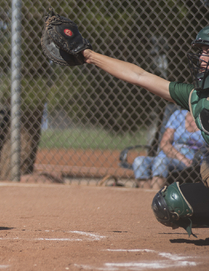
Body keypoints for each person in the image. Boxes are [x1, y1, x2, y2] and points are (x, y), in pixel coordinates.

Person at [76, 25, 209, 235]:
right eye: (201, 51)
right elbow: (140, 75)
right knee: (168, 204)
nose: (201, 58)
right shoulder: (195, 97)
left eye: (208, 52)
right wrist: (89, 55)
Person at [132, 110, 206, 189]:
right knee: (139, 161)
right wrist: (181, 158)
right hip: (170, 157)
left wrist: (185, 160)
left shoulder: (206, 119)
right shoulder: (178, 115)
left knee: (161, 162)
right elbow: (164, 143)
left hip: (191, 160)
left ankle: (155, 196)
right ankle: (148, 196)